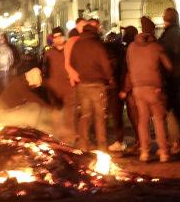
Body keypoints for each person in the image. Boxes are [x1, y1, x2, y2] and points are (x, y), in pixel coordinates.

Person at [125, 17, 172, 162]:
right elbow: (169, 66)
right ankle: (163, 152)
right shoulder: (156, 47)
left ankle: (144, 152)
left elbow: (129, 66)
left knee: (143, 121)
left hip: (138, 88)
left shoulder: (131, 47)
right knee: (158, 119)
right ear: (152, 31)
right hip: (154, 88)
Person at [69, 21, 113, 151]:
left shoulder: (76, 45)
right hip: (97, 85)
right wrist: (110, 78)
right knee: (99, 116)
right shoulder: (97, 45)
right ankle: (102, 145)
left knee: (84, 116)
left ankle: (84, 144)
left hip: (82, 85)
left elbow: (72, 63)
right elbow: (106, 65)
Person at [158, 7, 180, 158]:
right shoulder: (177, 34)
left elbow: (169, 57)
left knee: (174, 112)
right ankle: (179, 143)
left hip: (173, 78)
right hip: (177, 77)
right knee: (174, 112)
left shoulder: (172, 35)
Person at [41, 28, 75, 141]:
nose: (58, 39)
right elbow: (44, 71)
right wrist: (48, 85)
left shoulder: (70, 51)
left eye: (60, 35)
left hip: (68, 87)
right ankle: (57, 137)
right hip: (54, 89)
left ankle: (69, 137)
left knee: (69, 114)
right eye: (55, 37)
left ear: (64, 36)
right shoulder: (49, 54)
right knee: (55, 114)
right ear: (53, 39)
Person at [103, 28, 128, 151]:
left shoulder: (105, 52)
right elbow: (124, 71)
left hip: (109, 86)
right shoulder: (122, 52)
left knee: (107, 115)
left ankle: (109, 139)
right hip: (116, 87)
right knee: (116, 115)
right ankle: (119, 139)